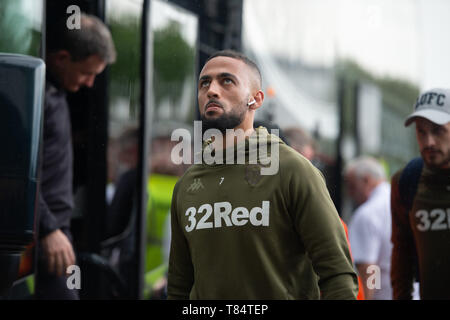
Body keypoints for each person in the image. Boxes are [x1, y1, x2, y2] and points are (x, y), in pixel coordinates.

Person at [167, 50, 358, 300]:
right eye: (205, 83)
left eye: (226, 81)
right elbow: (179, 287)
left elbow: (338, 276)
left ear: (256, 100)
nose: (211, 90)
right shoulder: (187, 184)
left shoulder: (293, 170)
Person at [36, 13, 116, 299]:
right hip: (43, 238)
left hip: (55, 234)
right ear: (61, 59)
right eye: (87, 73)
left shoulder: (53, 96)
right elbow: (15, 170)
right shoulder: (37, 99)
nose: (90, 83)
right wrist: (48, 229)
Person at [391, 88, 450, 300]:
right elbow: (401, 255)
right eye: (421, 132)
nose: (429, 142)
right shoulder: (407, 180)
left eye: (438, 130)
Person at [344, 156, 393, 300]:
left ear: (366, 180)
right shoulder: (401, 201)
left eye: (352, 186)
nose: (350, 193)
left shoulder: (367, 214)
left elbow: (368, 270)